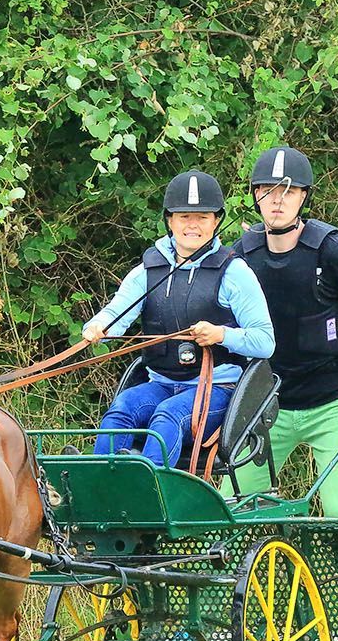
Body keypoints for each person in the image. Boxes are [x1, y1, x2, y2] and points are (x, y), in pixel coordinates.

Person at [230, 146, 338, 521]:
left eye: (288, 191)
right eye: (268, 190)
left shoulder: (329, 251)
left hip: (332, 403)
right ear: (255, 195)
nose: (277, 200)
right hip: (267, 407)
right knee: (230, 509)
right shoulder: (242, 256)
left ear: (303, 197)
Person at [83, 169, 275, 468]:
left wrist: (221, 335)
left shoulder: (235, 273)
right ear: (170, 220)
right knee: (121, 410)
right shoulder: (147, 271)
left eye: (202, 217)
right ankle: (99, 482)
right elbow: (115, 314)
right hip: (160, 384)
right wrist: (97, 327)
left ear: (216, 221)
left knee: (168, 416)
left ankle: (149, 486)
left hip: (217, 391)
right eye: (184, 216)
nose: (192, 225)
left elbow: (265, 342)